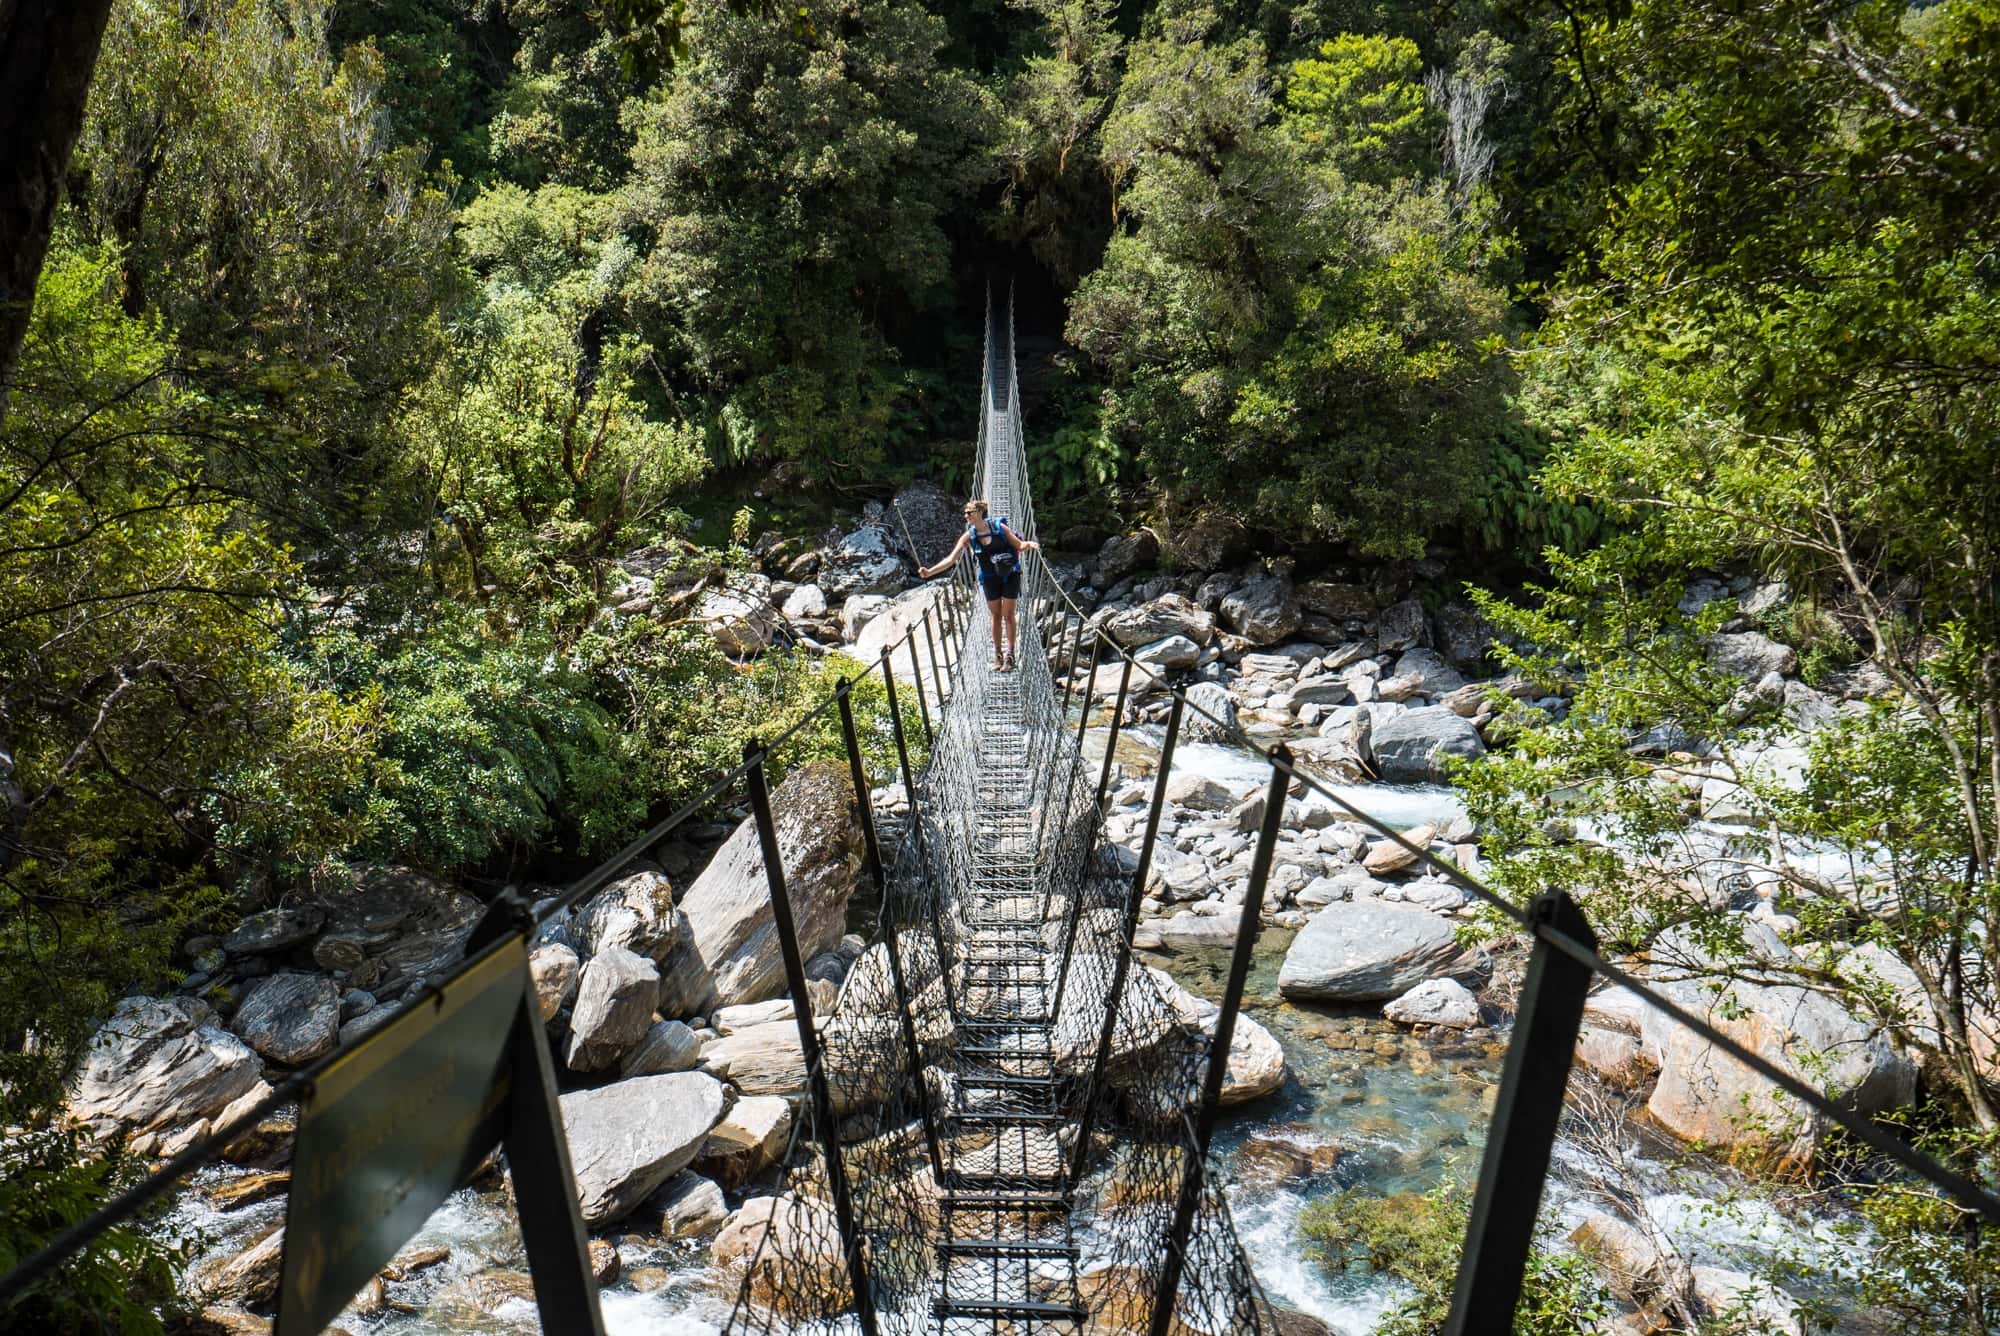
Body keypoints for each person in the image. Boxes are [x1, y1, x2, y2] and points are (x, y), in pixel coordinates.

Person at [918, 499, 1039, 670]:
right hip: (989, 578)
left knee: (1008, 615)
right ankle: (998, 655)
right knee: (996, 616)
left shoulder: (999, 528)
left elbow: (1019, 545)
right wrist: (929, 572)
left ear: (980, 513)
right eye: (965, 513)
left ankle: (1010, 655)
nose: (966, 516)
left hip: (1010, 574)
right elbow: (951, 559)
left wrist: (1030, 544)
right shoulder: (969, 536)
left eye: (969, 512)